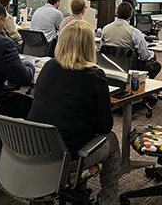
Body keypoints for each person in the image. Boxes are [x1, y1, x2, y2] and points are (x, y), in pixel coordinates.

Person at [28, 20, 120, 205]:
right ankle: (109, 201)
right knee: (111, 140)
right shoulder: (95, 76)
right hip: (67, 158)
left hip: (35, 149)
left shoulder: (48, 66)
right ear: (89, 46)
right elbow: (105, 126)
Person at [100, 2, 161, 79]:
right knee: (156, 66)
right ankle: (140, 83)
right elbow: (144, 56)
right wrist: (152, 55)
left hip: (110, 64)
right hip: (129, 66)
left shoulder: (105, 29)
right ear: (130, 16)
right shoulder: (134, 32)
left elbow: (102, 49)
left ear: (116, 13)